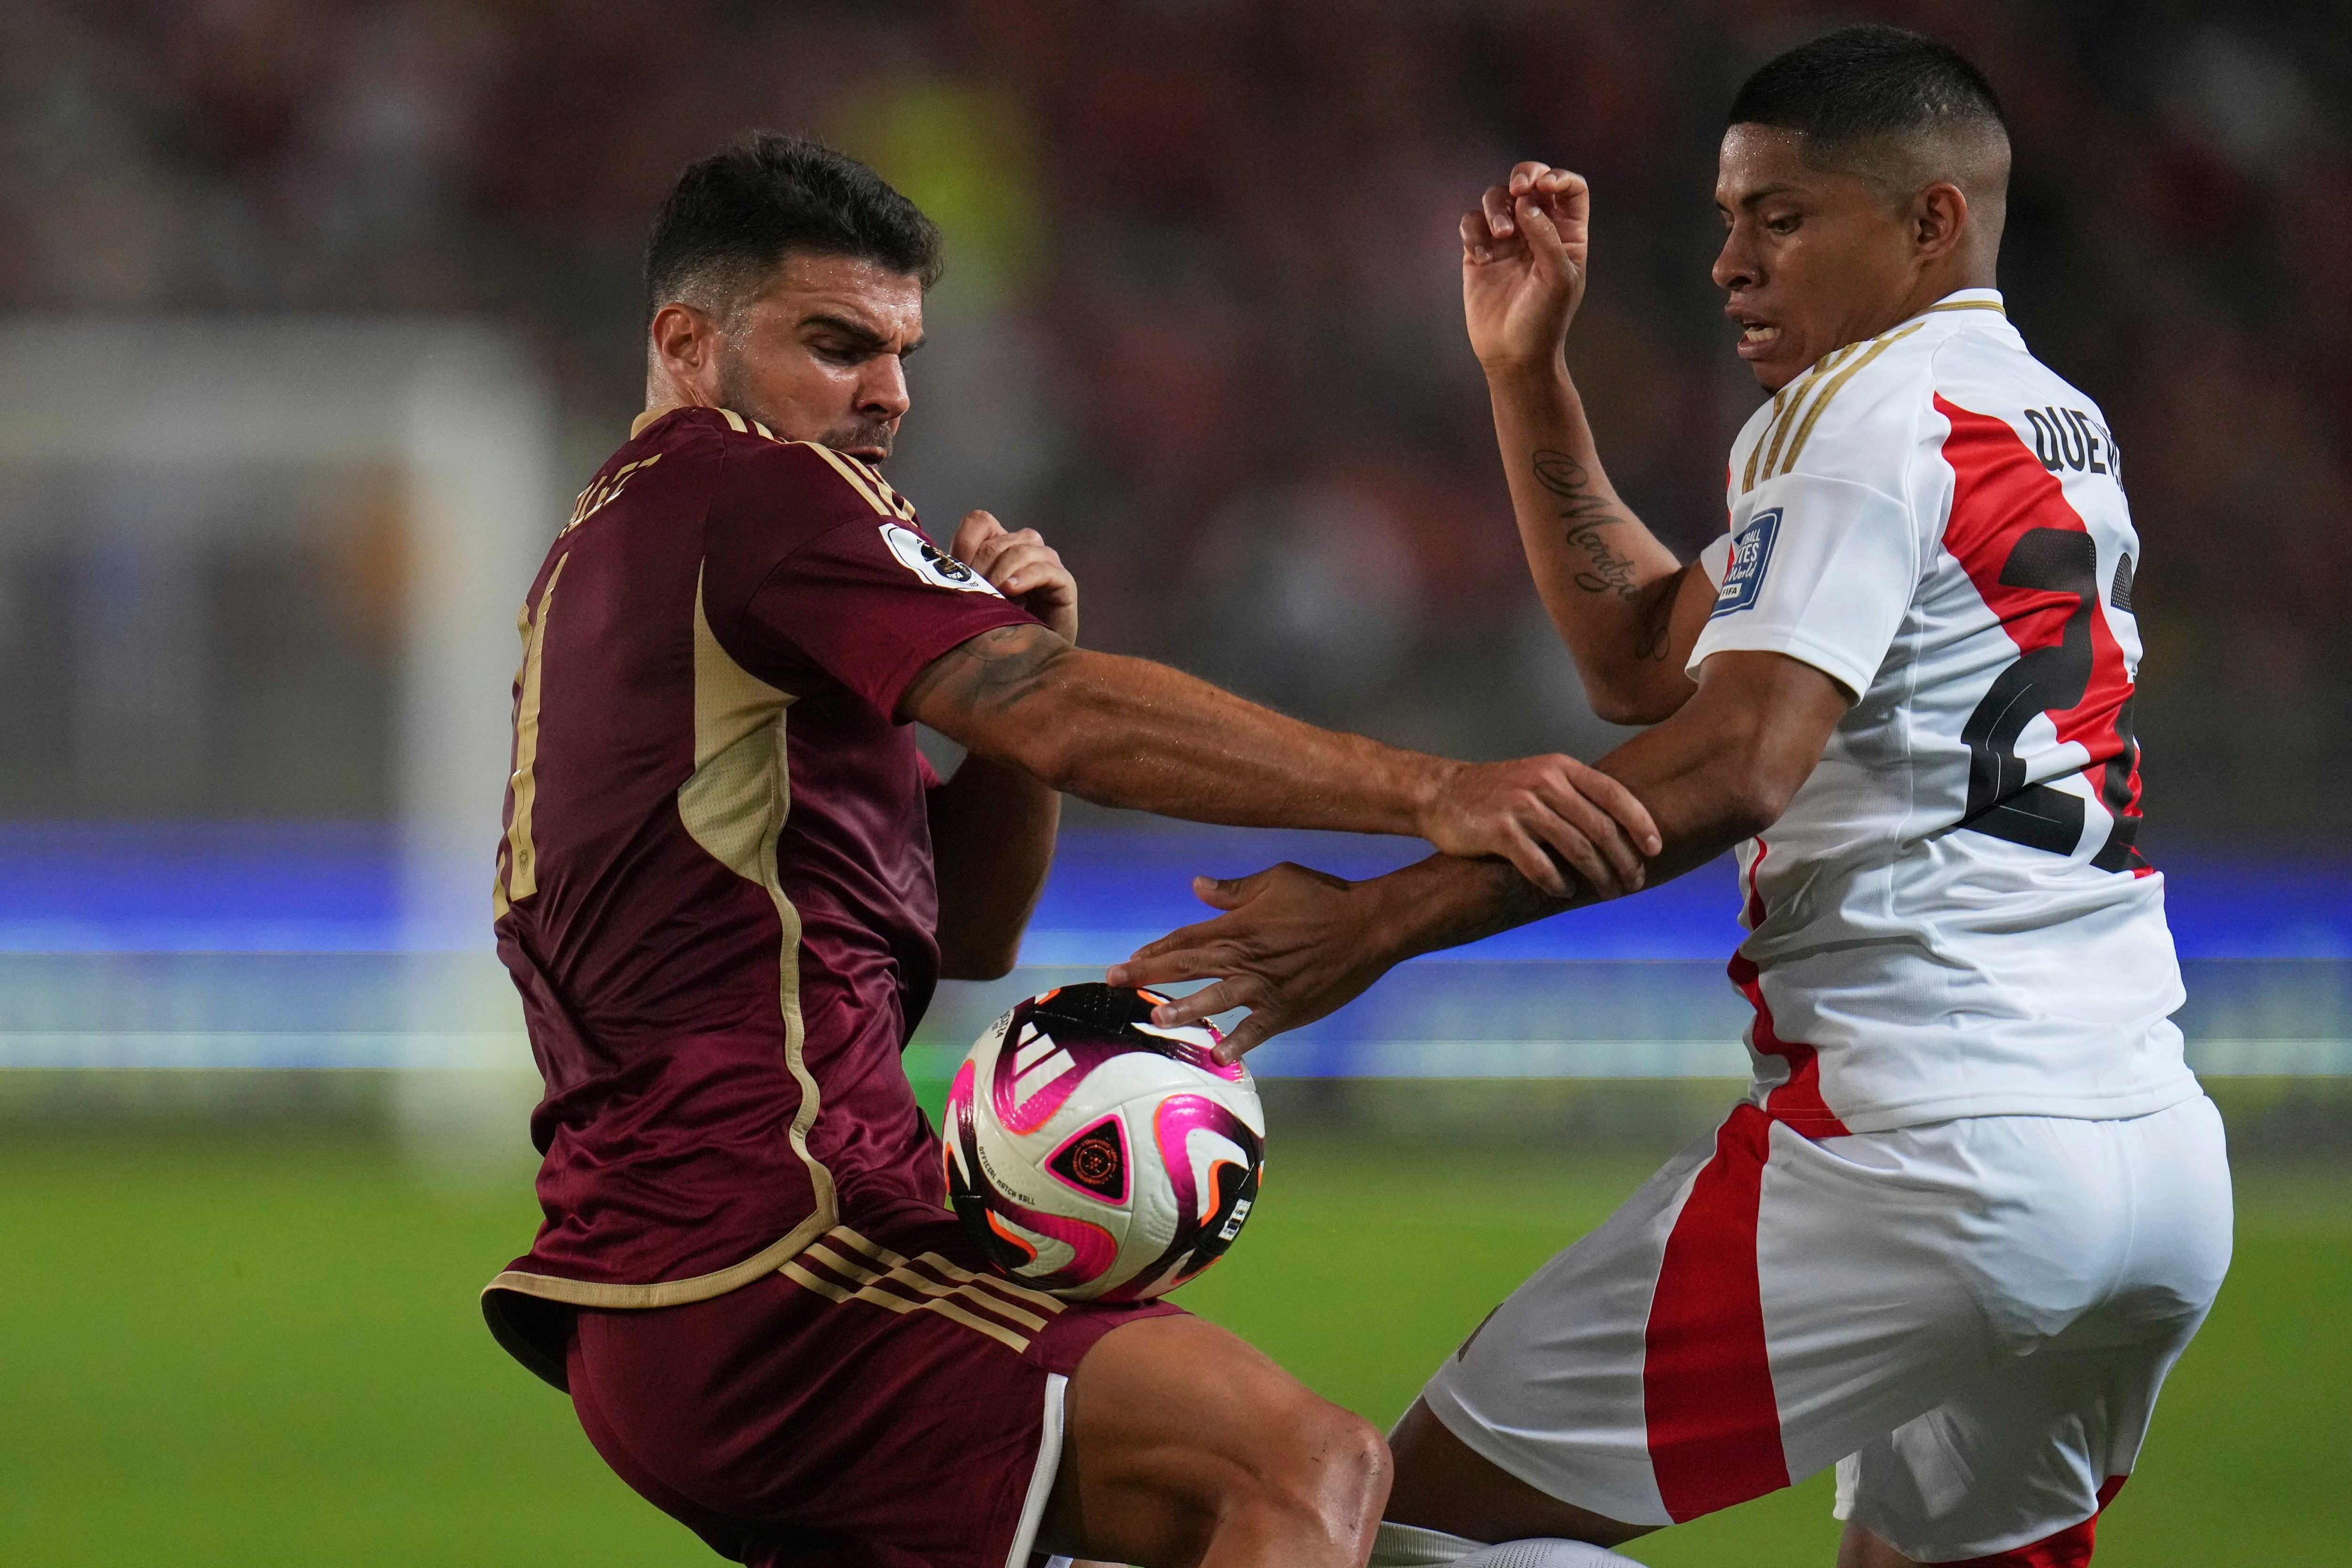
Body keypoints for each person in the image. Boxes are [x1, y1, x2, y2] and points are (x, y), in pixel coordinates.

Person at [1113, 27, 2231, 1568]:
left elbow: (1731, 763)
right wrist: (1528, 375)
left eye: (1783, 215)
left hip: (1922, 1142)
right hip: (2155, 1160)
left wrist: (1375, 928)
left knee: (1399, 1536)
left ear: (1931, 223)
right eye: (1725, 217)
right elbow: (1648, 660)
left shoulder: (1855, 421)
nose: (1730, 262)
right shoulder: (2051, 423)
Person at [480, 131, 1658, 1568]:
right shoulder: (755, 490)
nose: (890, 394)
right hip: (782, 1248)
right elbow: (1063, 721)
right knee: (1301, 1467)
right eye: (838, 344)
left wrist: (1015, 700)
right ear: (688, 341)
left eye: (903, 351)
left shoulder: (619, 546)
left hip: (679, 1279)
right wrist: (1435, 793)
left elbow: (968, 930)